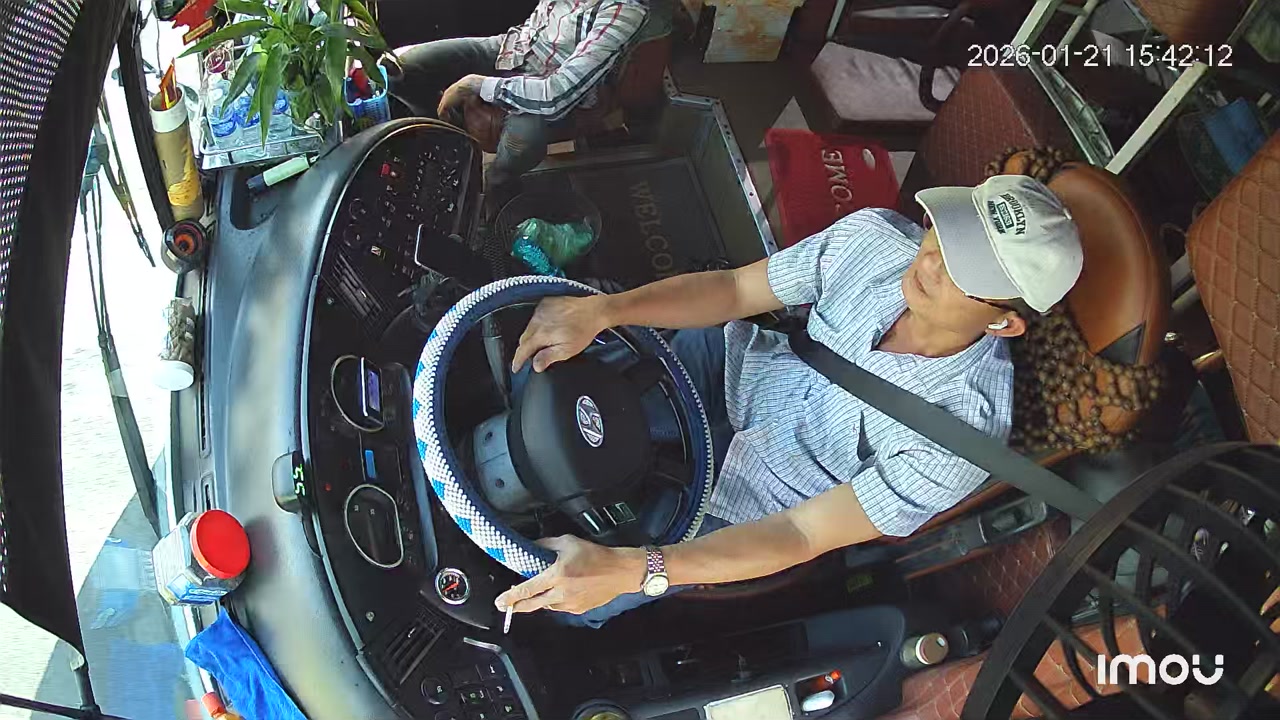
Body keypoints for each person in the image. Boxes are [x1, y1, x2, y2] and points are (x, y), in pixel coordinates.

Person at [493, 175, 1085, 627]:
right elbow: (735, 289)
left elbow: (802, 533)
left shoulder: (959, 439)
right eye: (948, 233)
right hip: (725, 368)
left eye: (966, 270)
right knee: (537, 392)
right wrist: (606, 310)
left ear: (1004, 322)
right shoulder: (874, 241)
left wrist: (633, 569)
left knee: (568, 596)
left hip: (759, 501)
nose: (932, 261)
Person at [389, 0, 648, 206]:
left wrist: (474, 85)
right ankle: (440, 136)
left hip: (550, 87)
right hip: (514, 48)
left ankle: (498, 184)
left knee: (524, 137)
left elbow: (555, 95)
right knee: (403, 69)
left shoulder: (624, 12)